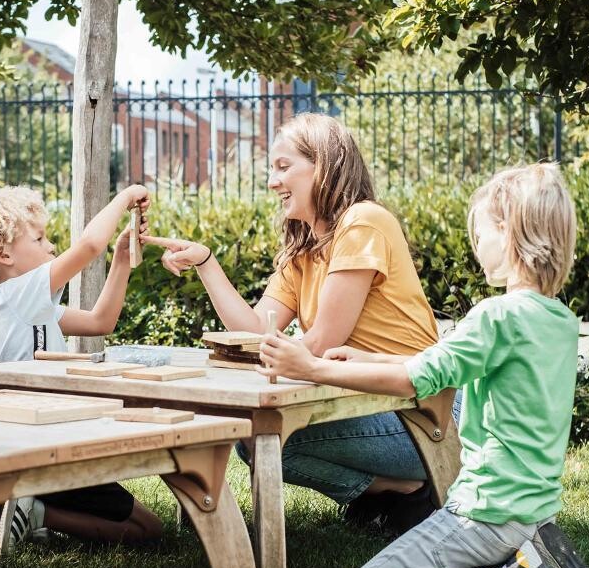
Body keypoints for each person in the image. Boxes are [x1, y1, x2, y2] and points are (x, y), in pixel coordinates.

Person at [257, 163, 589, 568]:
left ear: (510, 232)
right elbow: (436, 363)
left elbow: (415, 379)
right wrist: (363, 357)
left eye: (481, 233)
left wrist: (313, 368)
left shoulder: (495, 318)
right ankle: (538, 558)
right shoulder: (559, 320)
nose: (477, 246)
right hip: (536, 508)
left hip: (487, 513)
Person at [144, 113, 442, 534]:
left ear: (324, 165)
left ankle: (408, 486)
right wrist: (206, 262)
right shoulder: (304, 249)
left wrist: (275, 359)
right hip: (367, 405)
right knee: (254, 441)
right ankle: (400, 491)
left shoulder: (364, 222)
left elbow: (320, 344)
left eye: (284, 167)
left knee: (261, 438)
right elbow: (255, 329)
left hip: (421, 414)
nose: (272, 182)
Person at [0, 184, 163, 544]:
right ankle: (33, 511)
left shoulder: (27, 304)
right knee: (148, 532)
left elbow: (99, 322)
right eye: (40, 239)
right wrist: (124, 198)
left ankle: (34, 509)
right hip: (35, 446)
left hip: (50, 440)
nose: (51, 247)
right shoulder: (8, 299)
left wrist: (121, 259)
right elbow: (89, 247)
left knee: (148, 529)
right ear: (3, 253)